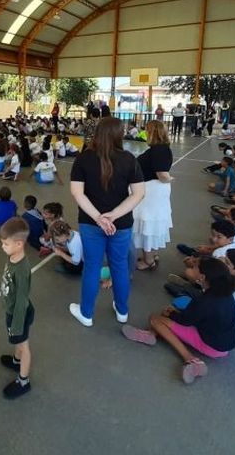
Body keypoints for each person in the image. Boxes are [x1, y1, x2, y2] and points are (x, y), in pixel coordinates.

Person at [69, 117, 145, 327]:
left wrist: (99, 217)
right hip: (121, 224)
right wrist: (114, 215)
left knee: (92, 267)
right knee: (119, 266)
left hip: (90, 223)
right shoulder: (129, 159)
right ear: (119, 135)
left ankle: (86, 314)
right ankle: (122, 311)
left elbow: (77, 193)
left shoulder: (83, 158)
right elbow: (139, 194)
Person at [121, 256, 235, 384]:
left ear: (202, 277)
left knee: (155, 318)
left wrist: (171, 314)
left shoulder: (205, 301)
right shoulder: (224, 292)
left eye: (194, 267)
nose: (191, 268)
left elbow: (185, 321)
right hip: (225, 342)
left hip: (212, 347)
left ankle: (190, 359)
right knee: (172, 310)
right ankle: (153, 333)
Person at [0, 217, 34, 399]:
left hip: (19, 314)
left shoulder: (21, 270)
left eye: (5, 244)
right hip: (13, 311)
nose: (2, 247)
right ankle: (16, 361)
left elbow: (21, 300)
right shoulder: (12, 256)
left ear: (19, 244)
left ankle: (23, 381)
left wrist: (17, 325)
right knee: (18, 343)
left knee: (23, 345)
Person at [132, 120, 173, 271]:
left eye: (147, 130)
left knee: (147, 223)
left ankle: (148, 260)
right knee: (153, 223)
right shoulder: (161, 149)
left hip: (151, 191)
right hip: (154, 189)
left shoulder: (158, 150)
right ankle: (152, 254)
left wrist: (169, 179)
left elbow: (162, 174)